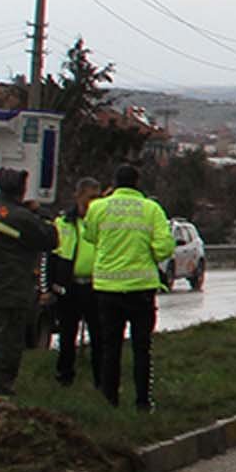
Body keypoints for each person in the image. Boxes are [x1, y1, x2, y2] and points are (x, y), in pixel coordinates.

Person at [83, 164, 172, 408]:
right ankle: (143, 401)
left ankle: (110, 399)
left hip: (107, 288)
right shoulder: (151, 209)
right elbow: (165, 247)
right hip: (141, 289)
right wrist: (149, 253)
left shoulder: (98, 207)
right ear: (137, 182)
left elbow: (89, 236)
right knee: (142, 348)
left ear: (114, 182)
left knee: (109, 347)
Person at [0, 167, 56, 399]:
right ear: (21, 190)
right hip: (8, 292)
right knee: (5, 351)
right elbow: (50, 239)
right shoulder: (20, 217)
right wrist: (42, 213)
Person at [49, 178, 99, 386]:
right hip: (69, 287)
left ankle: (101, 379)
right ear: (78, 196)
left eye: (97, 198)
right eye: (90, 197)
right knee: (67, 335)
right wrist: (50, 285)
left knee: (99, 335)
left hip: (95, 286)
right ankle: (65, 376)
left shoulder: (102, 222)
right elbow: (51, 255)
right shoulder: (63, 223)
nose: (93, 203)